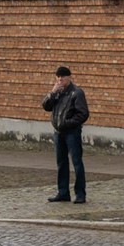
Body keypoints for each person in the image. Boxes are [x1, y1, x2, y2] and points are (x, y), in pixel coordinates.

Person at [42, 65, 89, 203]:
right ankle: (63, 192)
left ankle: (80, 194)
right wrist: (52, 93)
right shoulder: (58, 92)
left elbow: (83, 113)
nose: (60, 80)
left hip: (71, 132)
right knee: (61, 163)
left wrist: (68, 123)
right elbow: (46, 106)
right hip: (58, 132)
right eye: (58, 77)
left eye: (63, 77)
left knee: (77, 162)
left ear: (69, 77)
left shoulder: (76, 93)